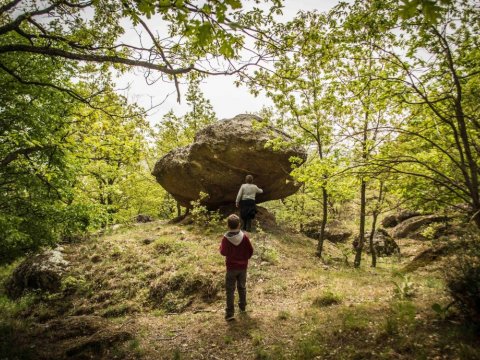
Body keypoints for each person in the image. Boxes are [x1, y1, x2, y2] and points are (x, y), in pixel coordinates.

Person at [219, 214, 254, 321]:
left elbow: (223, 252)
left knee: (230, 290)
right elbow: (250, 251)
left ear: (228, 225)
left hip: (231, 268)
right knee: (242, 287)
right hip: (243, 267)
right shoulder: (245, 237)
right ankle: (242, 307)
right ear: (239, 225)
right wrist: (244, 259)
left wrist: (221, 247)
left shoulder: (225, 239)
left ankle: (230, 314)